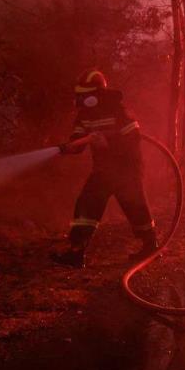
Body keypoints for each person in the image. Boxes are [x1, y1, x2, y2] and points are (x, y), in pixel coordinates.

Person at [51, 69, 158, 268]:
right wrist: (69, 147)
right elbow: (78, 142)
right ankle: (77, 252)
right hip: (103, 170)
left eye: (86, 95)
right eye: (80, 95)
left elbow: (133, 137)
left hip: (127, 167)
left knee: (134, 205)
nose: (82, 99)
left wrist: (108, 142)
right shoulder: (84, 115)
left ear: (97, 94)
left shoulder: (118, 109)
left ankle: (150, 245)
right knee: (87, 204)